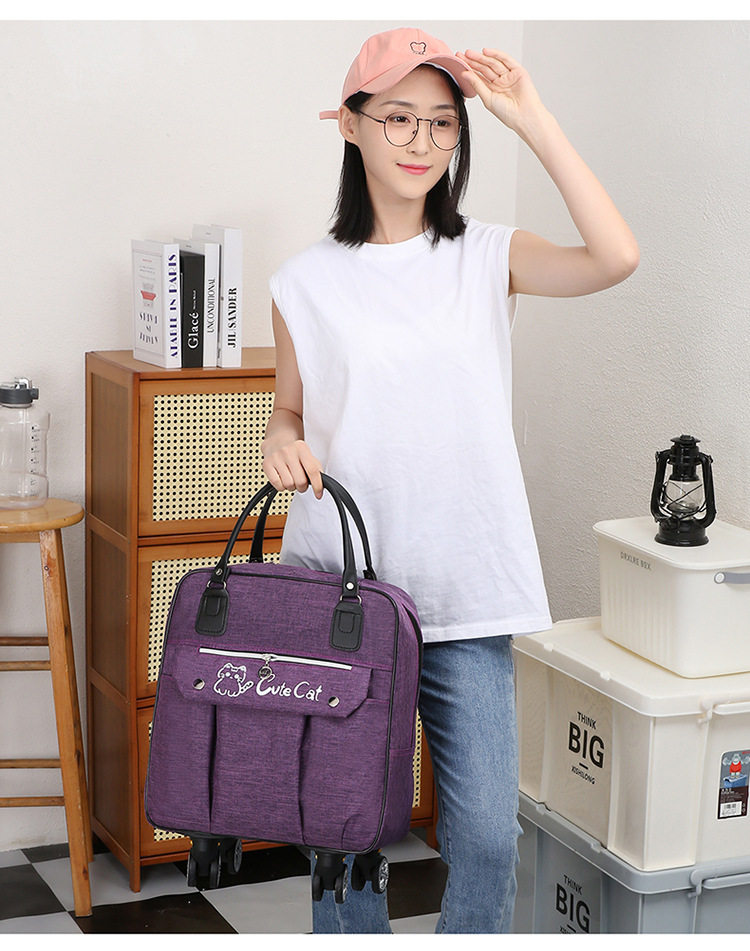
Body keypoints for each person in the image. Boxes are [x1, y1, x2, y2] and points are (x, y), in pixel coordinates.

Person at [262, 27, 638, 934]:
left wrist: (532, 119)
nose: (421, 141)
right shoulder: (303, 282)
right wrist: (279, 444)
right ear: (350, 124)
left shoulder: (486, 255)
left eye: (442, 122)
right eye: (398, 117)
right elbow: (289, 411)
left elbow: (615, 256)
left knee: (488, 838)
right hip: (344, 595)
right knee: (346, 837)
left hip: (466, 591)